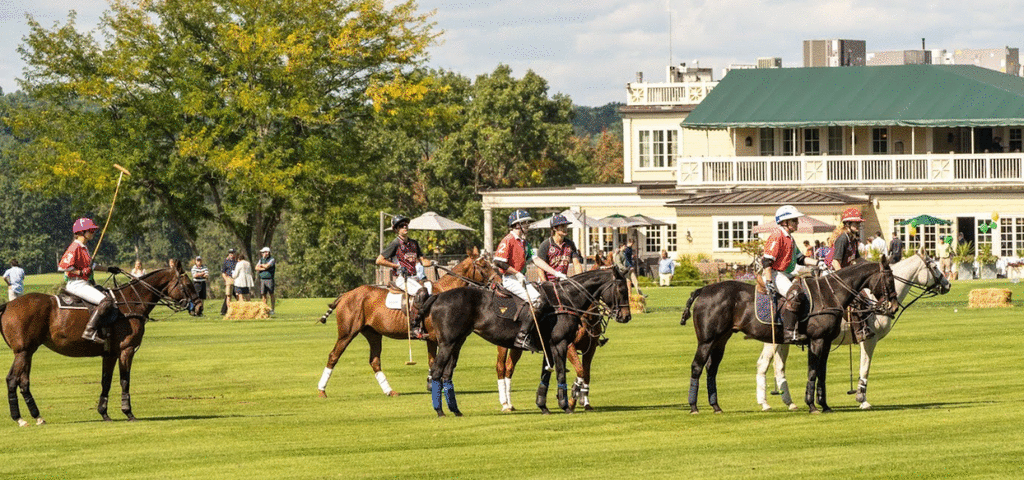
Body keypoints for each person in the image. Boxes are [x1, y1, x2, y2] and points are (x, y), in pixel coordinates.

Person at [761, 206, 824, 343]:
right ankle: (789, 332)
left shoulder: (790, 238)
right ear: (784, 222)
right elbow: (766, 261)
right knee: (795, 294)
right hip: (774, 273)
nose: (797, 223)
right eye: (794, 220)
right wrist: (769, 282)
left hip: (786, 273)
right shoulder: (777, 236)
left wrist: (818, 263)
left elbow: (800, 258)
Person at [57, 218, 122, 343]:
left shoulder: (83, 247)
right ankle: (89, 331)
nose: (93, 233)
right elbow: (62, 266)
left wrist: (109, 269)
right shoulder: (75, 246)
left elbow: (91, 266)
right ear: (82, 232)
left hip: (84, 283)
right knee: (106, 301)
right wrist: (80, 272)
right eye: (91, 230)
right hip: (76, 284)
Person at [494, 209, 547, 352]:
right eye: (525, 223)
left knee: (542, 298)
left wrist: (555, 272)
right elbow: (498, 261)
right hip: (511, 279)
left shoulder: (524, 243)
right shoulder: (508, 240)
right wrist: (517, 273)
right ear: (517, 225)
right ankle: (522, 336)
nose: (528, 225)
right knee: (537, 301)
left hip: (521, 278)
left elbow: (536, 260)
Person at [376, 215, 434, 338]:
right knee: (421, 292)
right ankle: (414, 327)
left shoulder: (414, 243)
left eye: (406, 225)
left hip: (415, 277)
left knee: (431, 290)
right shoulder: (395, 243)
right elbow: (379, 260)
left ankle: (428, 322)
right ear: (396, 229)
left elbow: (422, 261)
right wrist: (396, 266)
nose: (405, 227)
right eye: (401, 226)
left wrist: (433, 263)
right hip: (402, 278)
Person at [826, 208, 873, 342]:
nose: (858, 225)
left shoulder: (853, 239)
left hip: (843, 273)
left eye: (859, 223)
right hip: (833, 273)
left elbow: (857, 259)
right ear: (847, 224)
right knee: (855, 299)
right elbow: (835, 262)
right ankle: (859, 331)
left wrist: (873, 266)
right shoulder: (843, 238)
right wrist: (844, 281)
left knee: (863, 297)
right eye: (855, 223)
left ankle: (864, 326)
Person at [534, 214, 583, 282]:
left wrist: (580, 280)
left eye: (566, 226)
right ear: (554, 228)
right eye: (562, 226)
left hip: (562, 281)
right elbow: (540, 268)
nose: (565, 228)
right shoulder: (545, 245)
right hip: (548, 282)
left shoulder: (570, 244)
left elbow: (577, 264)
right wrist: (545, 283)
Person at [255, 246, 276, 315]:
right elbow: (256, 268)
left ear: (267, 253)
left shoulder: (271, 259)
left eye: (263, 252)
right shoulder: (261, 259)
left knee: (271, 294)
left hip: (269, 279)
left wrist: (262, 266)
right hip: (262, 279)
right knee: (263, 295)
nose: (262, 253)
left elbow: (267, 266)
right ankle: (265, 309)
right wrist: (263, 268)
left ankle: (272, 309)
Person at [221, 248, 237, 314]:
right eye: (230, 253)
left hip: (236, 280)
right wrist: (226, 279)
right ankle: (227, 311)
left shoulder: (237, 261)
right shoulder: (226, 262)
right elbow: (223, 272)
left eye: (233, 253)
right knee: (228, 296)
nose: (231, 254)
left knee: (238, 295)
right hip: (229, 279)